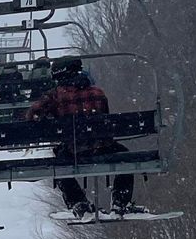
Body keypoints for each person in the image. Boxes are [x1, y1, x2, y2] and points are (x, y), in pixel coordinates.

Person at [27, 56, 145, 218]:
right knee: (127, 158)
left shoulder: (54, 96)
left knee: (59, 166)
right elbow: (105, 118)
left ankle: (78, 203)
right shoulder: (97, 93)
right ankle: (120, 202)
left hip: (74, 150)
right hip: (104, 148)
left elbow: (32, 115)